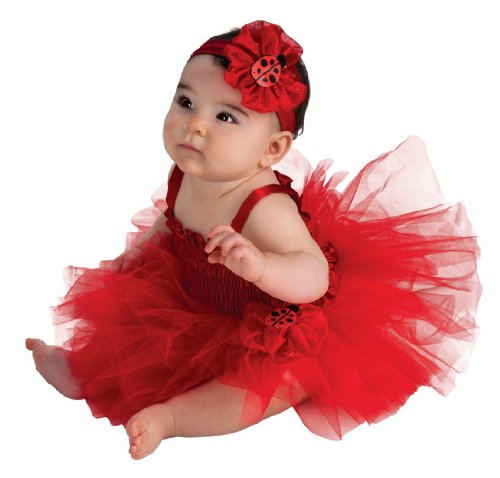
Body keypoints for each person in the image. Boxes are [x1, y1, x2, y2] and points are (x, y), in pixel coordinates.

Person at [25, 19, 482, 460]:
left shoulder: (265, 208)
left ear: (273, 149)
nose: (195, 124)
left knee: (275, 381)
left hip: (277, 317)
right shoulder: (187, 173)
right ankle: (84, 372)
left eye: (225, 116)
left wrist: (262, 266)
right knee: (132, 313)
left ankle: (173, 417)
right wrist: (136, 255)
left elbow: (314, 278)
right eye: (186, 102)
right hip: (202, 295)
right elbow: (172, 223)